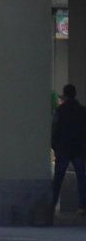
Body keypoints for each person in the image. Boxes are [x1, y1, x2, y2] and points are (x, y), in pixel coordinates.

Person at [51, 83, 86, 214]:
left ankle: (52, 204)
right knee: (81, 178)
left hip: (63, 148)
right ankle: (82, 206)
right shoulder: (83, 110)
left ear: (65, 95)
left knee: (58, 179)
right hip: (79, 149)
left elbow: (54, 128)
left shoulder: (60, 110)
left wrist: (53, 144)